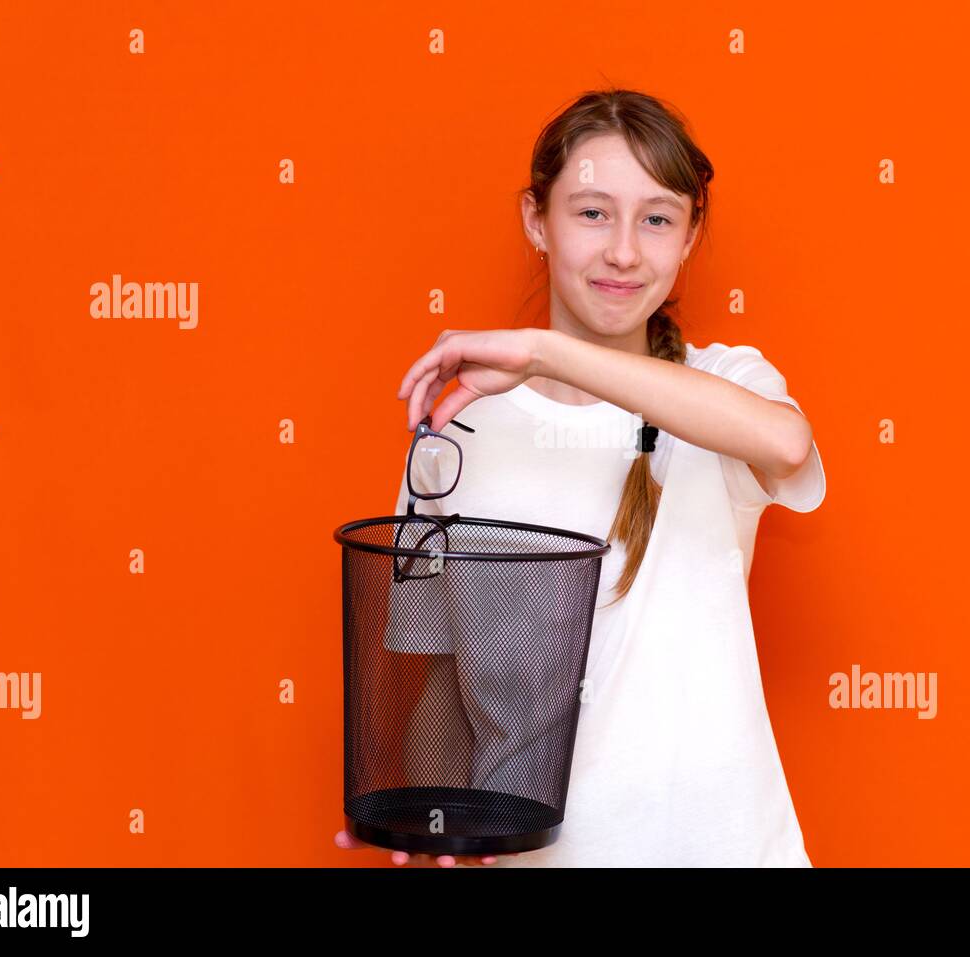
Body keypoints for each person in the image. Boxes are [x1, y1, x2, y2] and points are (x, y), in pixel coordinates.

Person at [335, 87, 825, 867]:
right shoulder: (457, 429)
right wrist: (428, 819)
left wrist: (546, 350)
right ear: (537, 219)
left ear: (691, 235)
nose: (624, 251)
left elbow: (787, 444)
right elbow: (443, 684)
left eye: (657, 218)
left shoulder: (726, 383)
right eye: (592, 212)